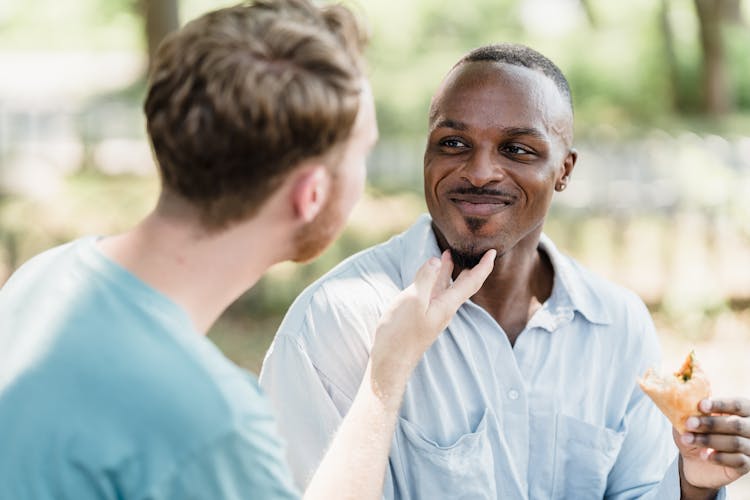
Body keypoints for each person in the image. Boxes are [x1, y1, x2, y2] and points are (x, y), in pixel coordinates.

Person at [0, 2, 496, 499]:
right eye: (362, 151)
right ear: (312, 195)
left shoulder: (46, 277)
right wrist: (385, 378)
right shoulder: (211, 427)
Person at [260, 43, 750, 499]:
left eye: (517, 149)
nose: (479, 172)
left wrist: (692, 485)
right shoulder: (337, 322)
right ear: (425, 154)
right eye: (453, 143)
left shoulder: (617, 326)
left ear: (565, 171)